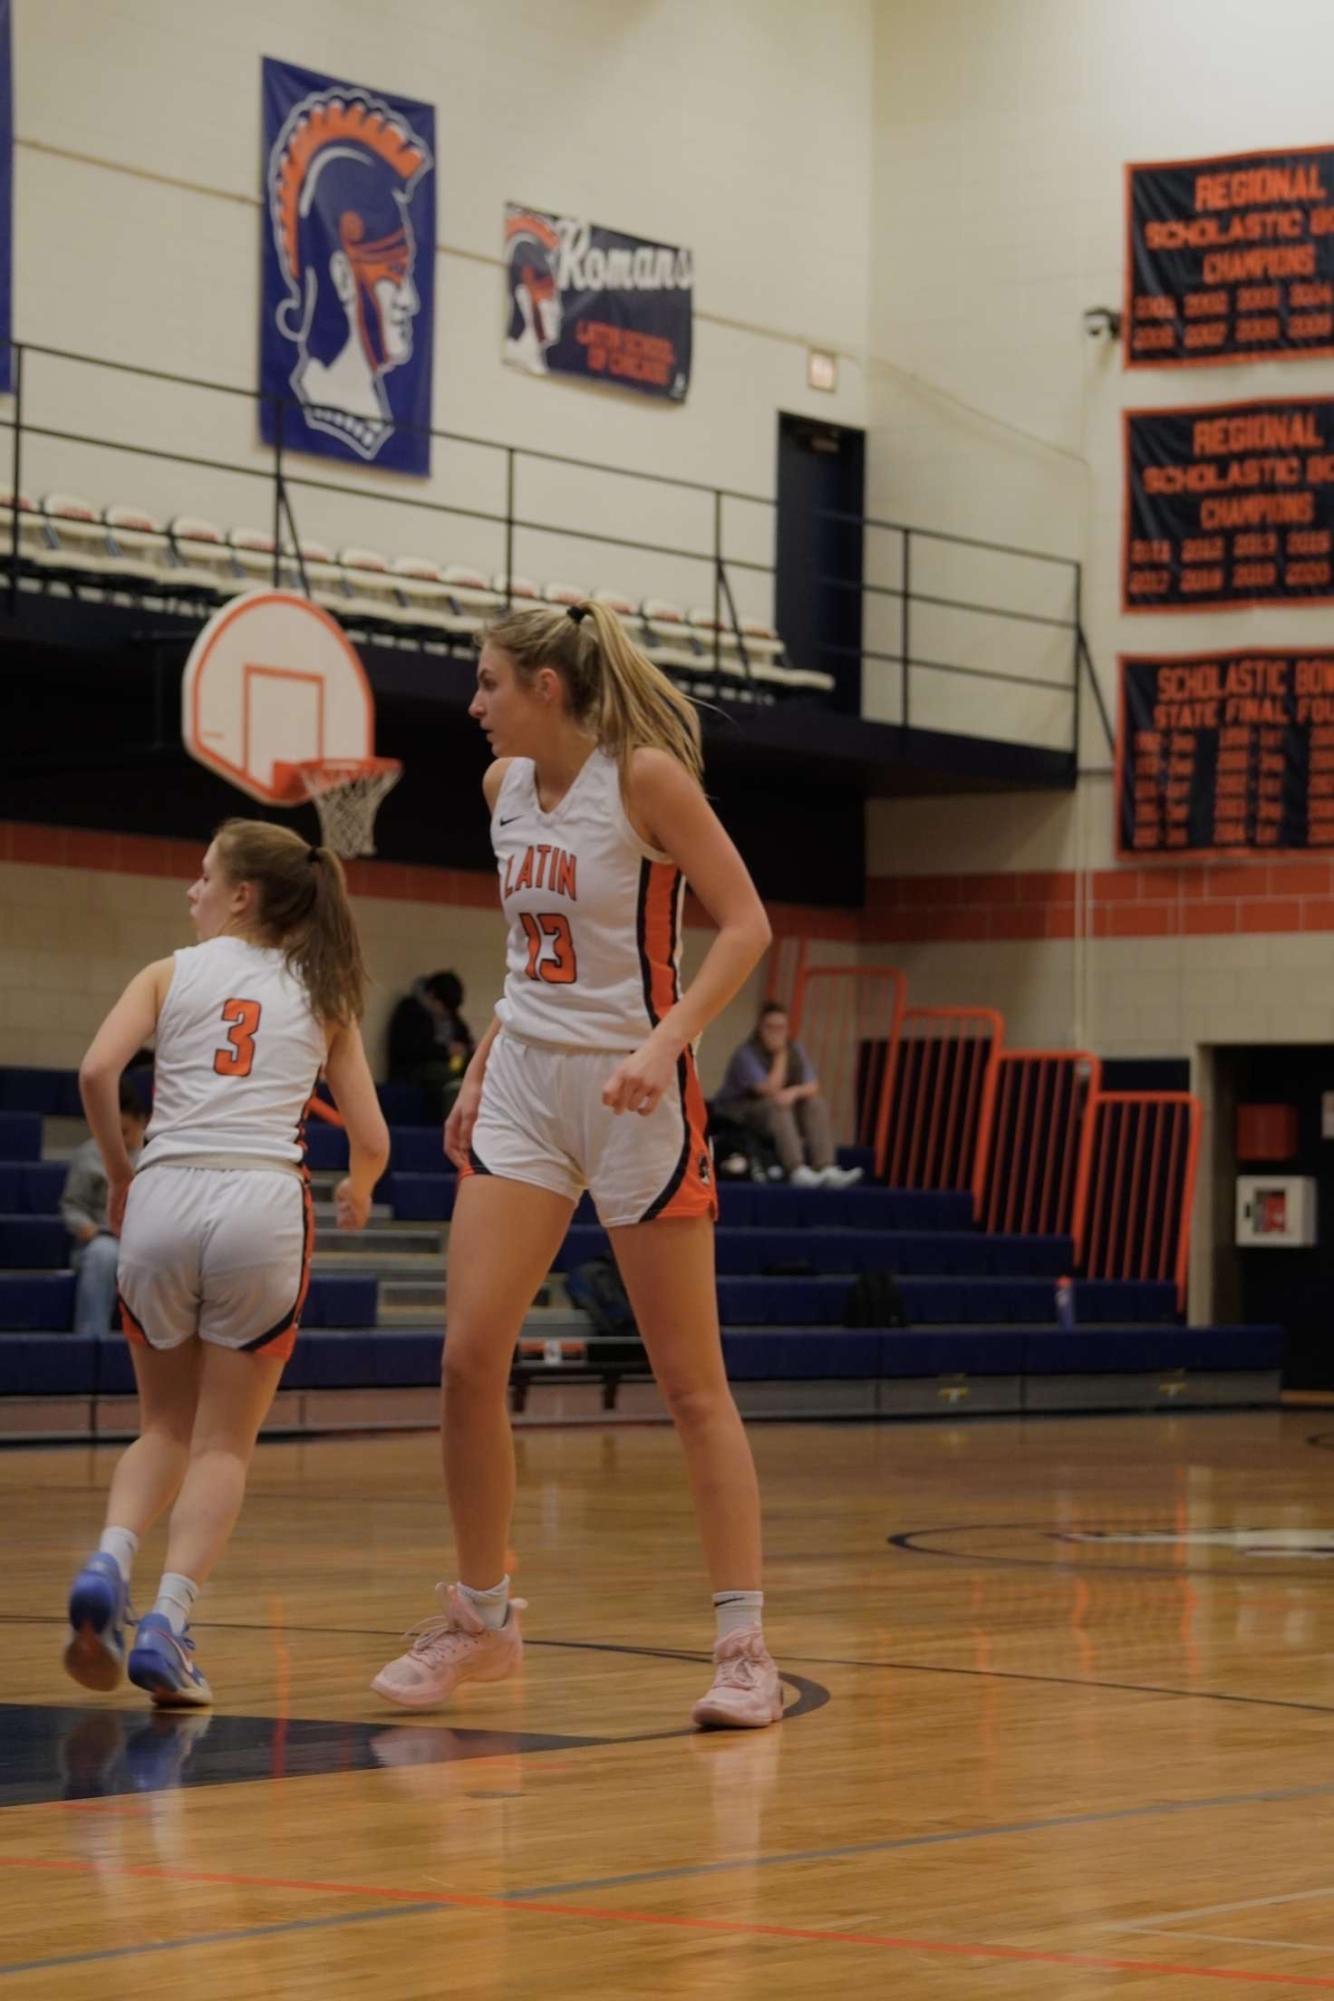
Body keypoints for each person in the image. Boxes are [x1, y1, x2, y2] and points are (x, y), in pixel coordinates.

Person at [373, 599, 782, 1729]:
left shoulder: (644, 777)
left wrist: (665, 1043)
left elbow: (745, 924)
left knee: (690, 1386)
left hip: (633, 1090)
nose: (473, 703)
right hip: (525, 1087)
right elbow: (523, 956)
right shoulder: (504, 791)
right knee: (465, 1358)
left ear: (546, 688)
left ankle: (743, 1644)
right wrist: (481, 1064)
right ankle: (482, 1619)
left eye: (488, 682)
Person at [63, 821, 390, 1707]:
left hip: (164, 1189)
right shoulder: (325, 993)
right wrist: (357, 1188)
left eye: (203, 875)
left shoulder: (169, 972)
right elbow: (371, 1136)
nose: (191, 889)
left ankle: (109, 1560)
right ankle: (168, 1620)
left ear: (243, 894)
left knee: (161, 1427)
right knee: (221, 1446)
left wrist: (124, 1174)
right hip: (260, 1201)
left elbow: (97, 1071)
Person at [714, 1001, 863, 1188]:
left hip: (778, 1109)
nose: (776, 1033)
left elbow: (813, 1086)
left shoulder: (796, 1049)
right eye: (770, 1027)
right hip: (739, 1113)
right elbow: (769, 1090)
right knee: (778, 1105)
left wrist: (794, 1092)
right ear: (759, 1028)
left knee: (815, 1104)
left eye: (781, 1027)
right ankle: (796, 1169)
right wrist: (781, 1054)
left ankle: (826, 1167)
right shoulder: (746, 1053)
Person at [62, 1081, 148, 1334]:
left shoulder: (159, 1154)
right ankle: (91, 1340)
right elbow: (72, 1205)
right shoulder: (88, 1154)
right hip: (102, 1238)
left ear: (142, 1121)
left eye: (125, 1131)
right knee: (103, 1254)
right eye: (113, 1131)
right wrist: (84, 1226)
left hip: (147, 1240)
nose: (119, 1140)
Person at [387, 971, 474, 1119]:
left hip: (449, 1064)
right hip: (417, 1069)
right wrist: (445, 1051)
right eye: (443, 1008)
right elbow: (409, 1049)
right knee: (449, 1080)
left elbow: (465, 1037)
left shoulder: (451, 1016)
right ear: (432, 995)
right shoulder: (410, 1011)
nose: (445, 1013)